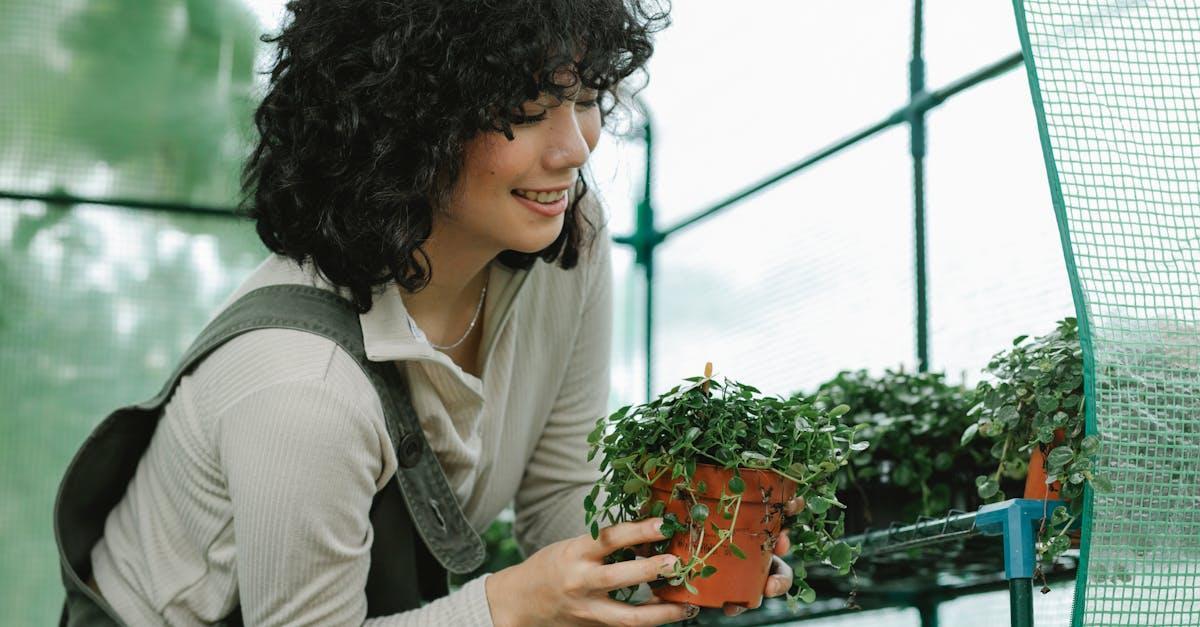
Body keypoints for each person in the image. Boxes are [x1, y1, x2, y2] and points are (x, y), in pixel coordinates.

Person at [60, 0, 801, 624]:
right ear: (408, 122)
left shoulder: (567, 238)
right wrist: (510, 604)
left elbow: (561, 499)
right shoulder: (301, 383)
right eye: (527, 109)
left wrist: (690, 547)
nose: (574, 148)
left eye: (585, 99)